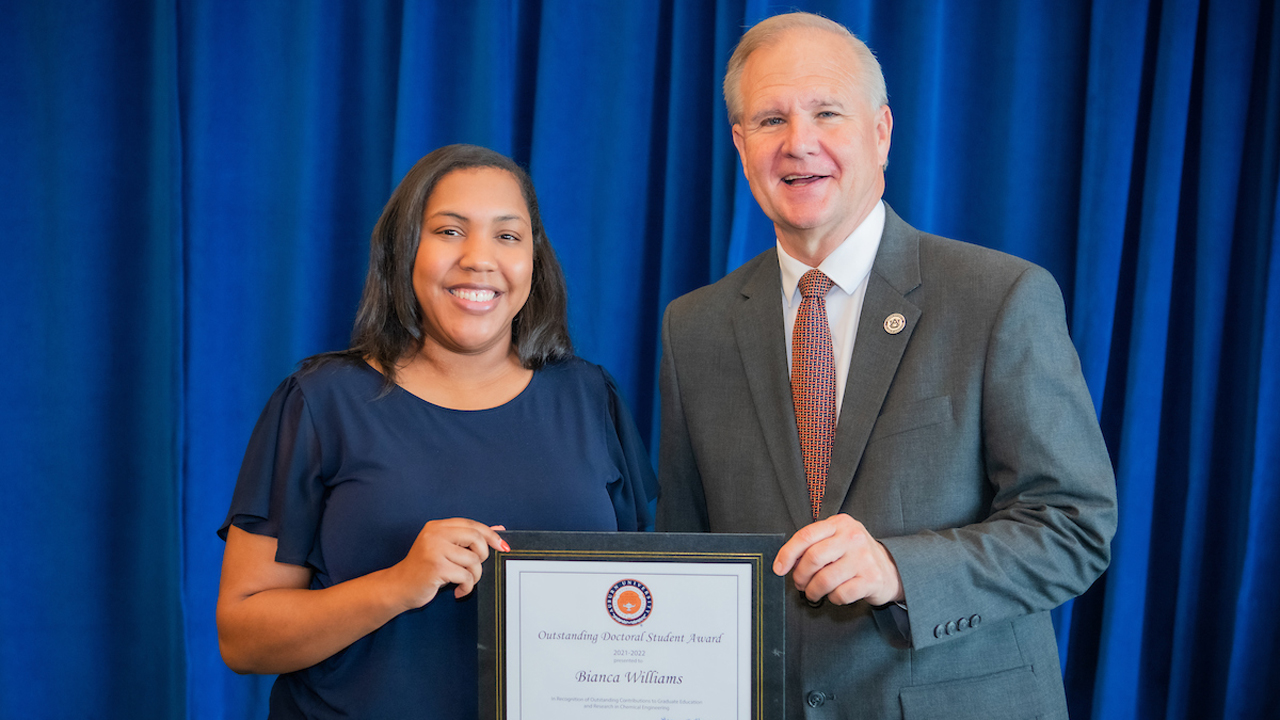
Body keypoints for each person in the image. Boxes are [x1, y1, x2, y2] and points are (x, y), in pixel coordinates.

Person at [657, 12, 1117, 719]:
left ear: (881, 132)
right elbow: (685, 555)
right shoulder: (694, 326)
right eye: (771, 119)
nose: (798, 143)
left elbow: (1073, 526)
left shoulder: (999, 297)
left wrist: (901, 569)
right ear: (741, 144)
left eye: (826, 113)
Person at [216, 144, 656, 718]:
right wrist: (398, 584)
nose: (479, 259)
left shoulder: (591, 398)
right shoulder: (321, 402)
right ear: (405, 252)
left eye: (507, 235)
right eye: (449, 231)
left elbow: (645, 604)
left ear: (534, 260)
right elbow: (242, 637)